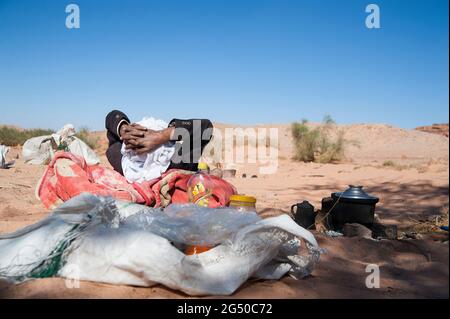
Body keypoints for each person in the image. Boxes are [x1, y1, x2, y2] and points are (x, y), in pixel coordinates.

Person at [105, 110, 213, 175]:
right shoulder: (177, 162)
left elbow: (112, 117)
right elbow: (206, 126)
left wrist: (161, 136)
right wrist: (163, 135)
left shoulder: (121, 160)